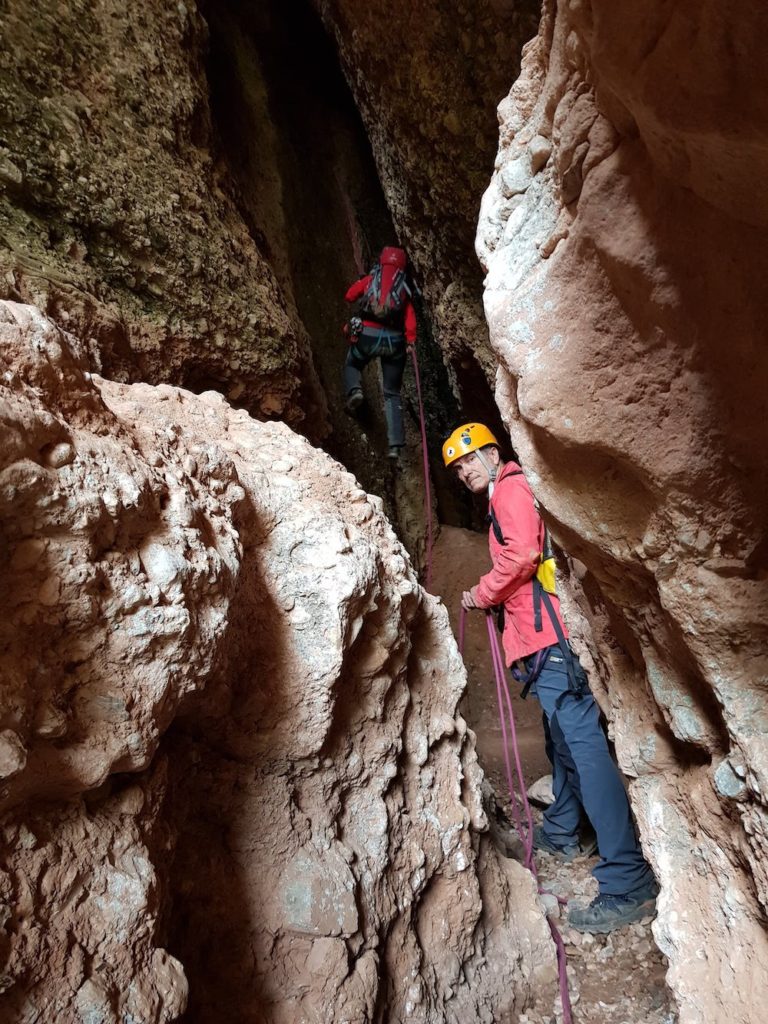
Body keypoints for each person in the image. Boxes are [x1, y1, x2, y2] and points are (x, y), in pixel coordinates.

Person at [442, 421, 658, 933]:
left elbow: (521, 556)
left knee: (582, 745)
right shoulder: (501, 494)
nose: (464, 470)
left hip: (551, 641)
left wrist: (481, 593)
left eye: (470, 458)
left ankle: (628, 879)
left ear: (493, 452)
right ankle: (565, 829)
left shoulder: (511, 489)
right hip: (539, 642)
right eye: (456, 467)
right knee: (563, 742)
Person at [343, 246, 417, 459]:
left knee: (353, 364)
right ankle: (394, 445)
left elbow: (349, 295)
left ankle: (354, 391)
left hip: (367, 335)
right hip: (394, 343)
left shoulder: (371, 279)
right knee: (392, 393)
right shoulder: (404, 286)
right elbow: (410, 318)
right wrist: (410, 341)